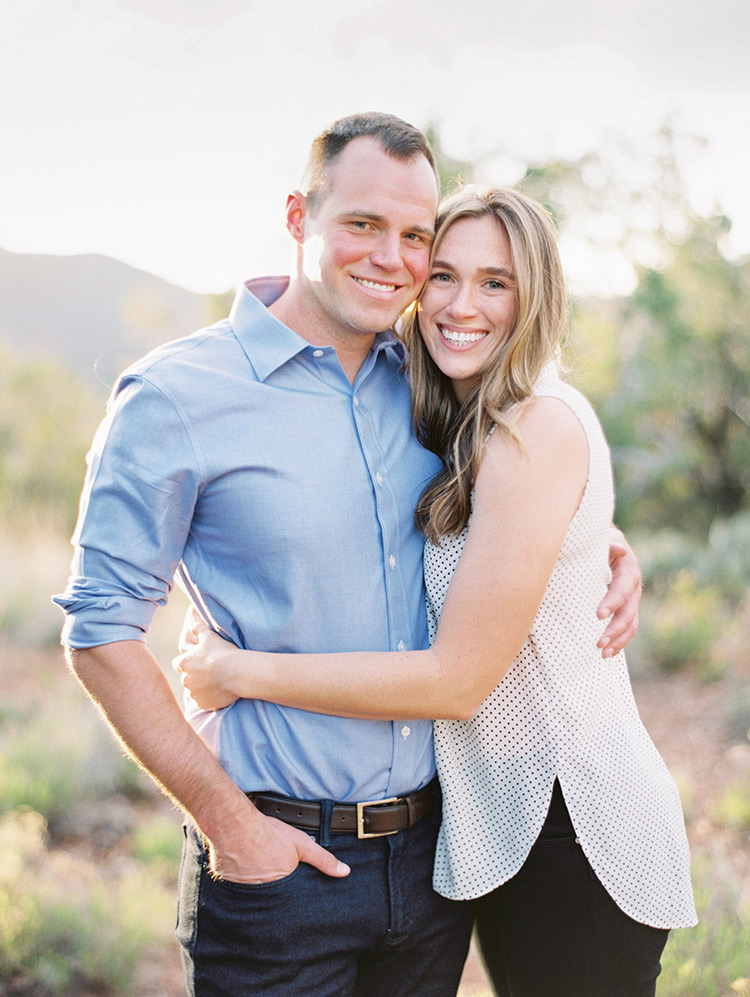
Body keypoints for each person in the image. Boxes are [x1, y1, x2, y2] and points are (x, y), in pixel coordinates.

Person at [54, 114, 642, 996]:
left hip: (433, 863)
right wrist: (231, 826)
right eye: (363, 224)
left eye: (416, 237)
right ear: (299, 217)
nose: (393, 259)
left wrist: (601, 540)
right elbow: (99, 630)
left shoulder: (429, 380)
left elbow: (527, 477)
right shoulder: (176, 396)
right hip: (275, 866)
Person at [173, 184, 696, 996]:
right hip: (497, 818)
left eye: (496, 282)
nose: (460, 304)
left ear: (536, 297)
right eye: (443, 274)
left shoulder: (535, 424)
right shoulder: (457, 410)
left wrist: (241, 672)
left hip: (576, 828)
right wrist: (604, 545)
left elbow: (457, 681)